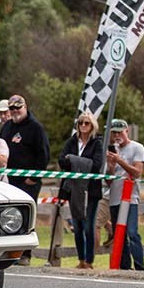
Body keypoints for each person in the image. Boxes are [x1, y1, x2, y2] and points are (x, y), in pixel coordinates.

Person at [0, 94, 49, 266]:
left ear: (25, 106)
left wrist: (33, 178)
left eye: (18, 107)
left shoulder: (35, 127)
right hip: (9, 180)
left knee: (26, 216)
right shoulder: (7, 127)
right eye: (11, 108)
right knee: (9, 216)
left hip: (27, 182)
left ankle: (25, 253)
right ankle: (10, 251)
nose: (15, 111)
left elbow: (43, 154)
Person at [58, 112, 103, 269]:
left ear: (92, 126)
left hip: (90, 190)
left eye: (87, 123)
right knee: (77, 226)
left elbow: (97, 165)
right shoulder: (72, 142)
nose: (83, 126)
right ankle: (81, 259)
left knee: (89, 226)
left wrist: (74, 160)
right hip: (73, 189)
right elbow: (62, 160)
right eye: (81, 123)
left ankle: (89, 261)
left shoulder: (97, 143)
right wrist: (80, 163)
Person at [106, 118, 144, 271]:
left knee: (132, 232)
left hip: (131, 197)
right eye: (114, 133)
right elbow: (109, 182)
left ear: (127, 131)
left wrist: (120, 160)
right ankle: (124, 267)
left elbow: (137, 172)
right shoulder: (111, 150)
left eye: (120, 132)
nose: (117, 136)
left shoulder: (137, 148)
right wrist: (111, 166)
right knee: (119, 235)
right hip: (115, 197)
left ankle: (140, 267)